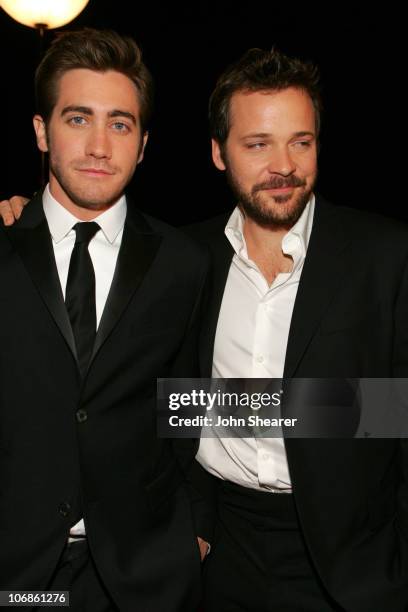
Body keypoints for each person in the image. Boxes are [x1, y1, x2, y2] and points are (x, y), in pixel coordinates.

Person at [184, 48, 408, 611]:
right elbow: (164, 404)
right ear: (218, 153)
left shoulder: (385, 255)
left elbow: (398, 413)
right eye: (257, 144)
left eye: (300, 142)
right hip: (221, 556)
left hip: (355, 566)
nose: (283, 164)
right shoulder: (184, 260)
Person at [0, 28, 209, 612]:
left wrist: (197, 532)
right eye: (77, 119)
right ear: (41, 131)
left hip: (142, 577)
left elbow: (190, 402)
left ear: (143, 144)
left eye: (119, 124)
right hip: (17, 579)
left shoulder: (183, 262)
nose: (99, 146)